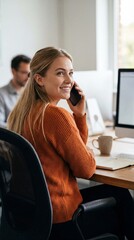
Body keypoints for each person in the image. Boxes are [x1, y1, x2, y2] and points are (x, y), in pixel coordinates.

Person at [7, 47, 134, 240]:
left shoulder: (22, 114)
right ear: (39, 79)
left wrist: (78, 115)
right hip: (63, 220)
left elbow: (75, 155)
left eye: (71, 73)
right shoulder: (55, 115)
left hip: (31, 216)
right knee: (121, 195)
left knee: (115, 192)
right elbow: (85, 169)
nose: (69, 80)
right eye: (60, 73)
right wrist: (80, 122)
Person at [0, 54, 31, 128]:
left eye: (30, 73)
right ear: (13, 71)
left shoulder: (31, 94)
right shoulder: (1, 94)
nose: (28, 77)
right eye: (24, 73)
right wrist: (21, 129)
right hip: (11, 138)